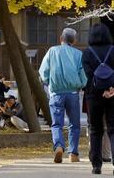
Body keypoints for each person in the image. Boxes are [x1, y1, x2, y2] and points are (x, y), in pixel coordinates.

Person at [83, 23, 114, 176]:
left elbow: (88, 76)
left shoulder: (87, 53)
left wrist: (100, 91)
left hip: (94, 96)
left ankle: (96, 165)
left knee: (96, 130)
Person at [39, 27, 87, 164]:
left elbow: (43, 72)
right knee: (74, 124)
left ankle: (59, 146)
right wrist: (81, 84)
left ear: (61, 38)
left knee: (56, 124)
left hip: (55, 93)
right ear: (75, 40)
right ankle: (73, 153)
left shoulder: (51, 51)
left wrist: (49, 82)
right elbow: (83, 75)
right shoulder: (78, 54)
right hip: (72, 93)